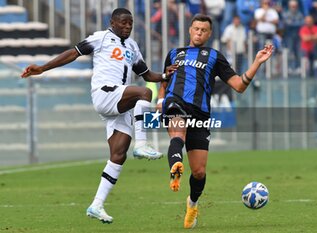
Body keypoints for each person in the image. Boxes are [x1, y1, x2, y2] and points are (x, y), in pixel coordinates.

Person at [21, 8, 176, 223]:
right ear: (112, 22)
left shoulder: (132, 46)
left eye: (130, 23)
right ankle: (142, 145)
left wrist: (166, 74)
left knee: (118, 155)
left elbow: (147, 74)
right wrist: (43, 68)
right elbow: (73, 53)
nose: (128, 26)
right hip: (106, 93)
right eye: (123, 22)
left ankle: (96, 204)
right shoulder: (100, 38)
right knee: (144, 92)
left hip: (120, 102)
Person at [156, 14, 273, 229]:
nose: (199, 32)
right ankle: (175, 167)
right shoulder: (174, 54)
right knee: (177, 133)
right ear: (190, 30)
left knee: (199, 172)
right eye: (196, 28)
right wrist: (161, 98)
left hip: (200, 114)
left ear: (209, 34)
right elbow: (164, 81)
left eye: (203, 30)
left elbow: (239, 85)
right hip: (175, 103)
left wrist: (257, 62)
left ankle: (192, 203)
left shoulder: (214, 56)